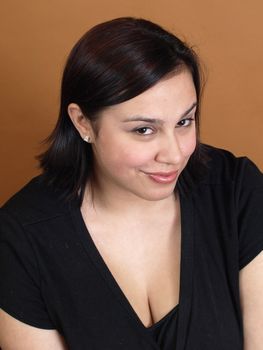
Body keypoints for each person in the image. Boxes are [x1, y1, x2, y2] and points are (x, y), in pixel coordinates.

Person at [0, 17, 262, 350]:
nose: (174, 153)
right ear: (83, 123)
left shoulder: (237, 190)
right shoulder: (21, 240)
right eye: (144, 130)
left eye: (184, 121)